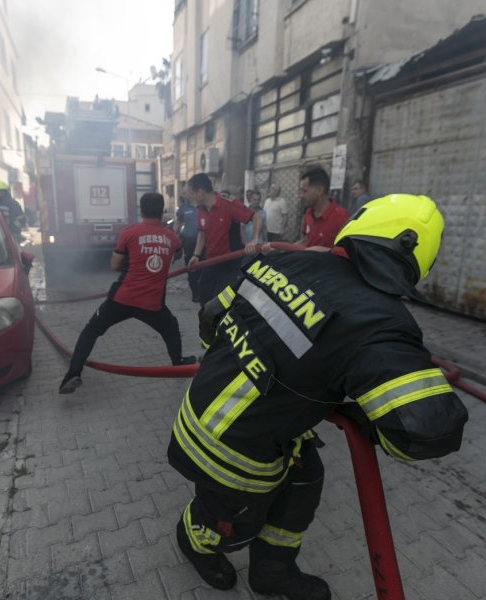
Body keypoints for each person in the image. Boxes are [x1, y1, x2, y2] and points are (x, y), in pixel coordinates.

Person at [168, 194, 469, 599]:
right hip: (232, 457)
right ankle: (194, 538)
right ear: (415, 260)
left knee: (306, 476)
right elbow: (424, 434)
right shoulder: (380, 324)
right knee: (230, 521)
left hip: (201, 411)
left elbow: (210, 319)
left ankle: (273, 570)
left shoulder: (282, 261)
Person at [59, 193, 196, 394]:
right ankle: (178, 363)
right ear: (162, 212)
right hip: (152, 304)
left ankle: (73, 374)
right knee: (171, 327)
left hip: (122, 299)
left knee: (91, 330)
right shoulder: (171, 237)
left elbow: (114, 265)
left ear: (141, 211)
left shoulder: (129, 232)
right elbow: (177, 254)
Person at [186, 173, 262, 306]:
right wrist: (196, 255)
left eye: (192, 193)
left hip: (229, 262)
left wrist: (254, 239)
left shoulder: (228, 204)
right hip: (211, 261)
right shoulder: (201, 209)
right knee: (204, 295)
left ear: (201, 192)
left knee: (220, 301)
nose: (191, 197)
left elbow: (256, 217)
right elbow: (202, 233)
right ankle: (208, 325)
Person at [297, 167, 350, 249]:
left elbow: (348, 253)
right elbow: (306, 241)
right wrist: (283, 247)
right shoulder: (308, 213)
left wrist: (325, 252)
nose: (301, 196)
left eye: (304, 191)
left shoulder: (342, 218)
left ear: (319, 191)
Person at [173, 187, 201, 302]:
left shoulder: (202, 205)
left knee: (204, 267)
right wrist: (174, 238)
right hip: (189, 243)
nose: (183, 195)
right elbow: (178, 224)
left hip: (204, 242)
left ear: (191, 192)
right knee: (192, 268)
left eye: (185, 193)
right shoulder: (183, 208)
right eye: (182, 194)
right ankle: (196, 294)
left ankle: (204, 291)